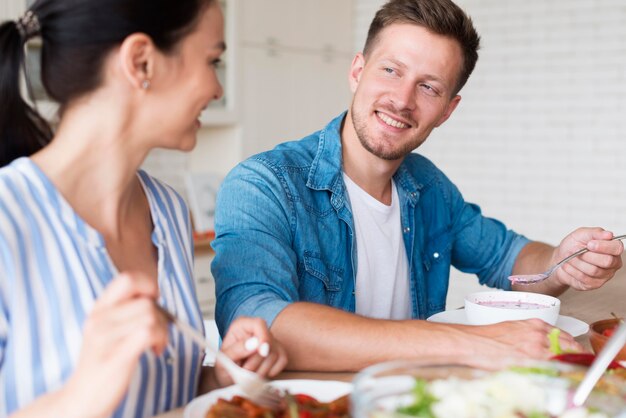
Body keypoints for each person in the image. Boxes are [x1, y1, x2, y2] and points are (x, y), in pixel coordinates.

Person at [211, 0, 624, 372]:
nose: (402, 99)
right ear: (357, 71)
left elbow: (508, 258)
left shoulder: (428, 185)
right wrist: (474, 344)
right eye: (391, 70)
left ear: (447, 109)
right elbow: (258, 321)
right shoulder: (264, 184)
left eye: (429, 87)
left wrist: (561, 259)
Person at [0, 0, 287, 417]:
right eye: (212, 61)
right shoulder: (8, 219)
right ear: (142, 62)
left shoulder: (168, 211)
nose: (217, 88)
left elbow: (163, 396)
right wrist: (82, 395)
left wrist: (219, 378)